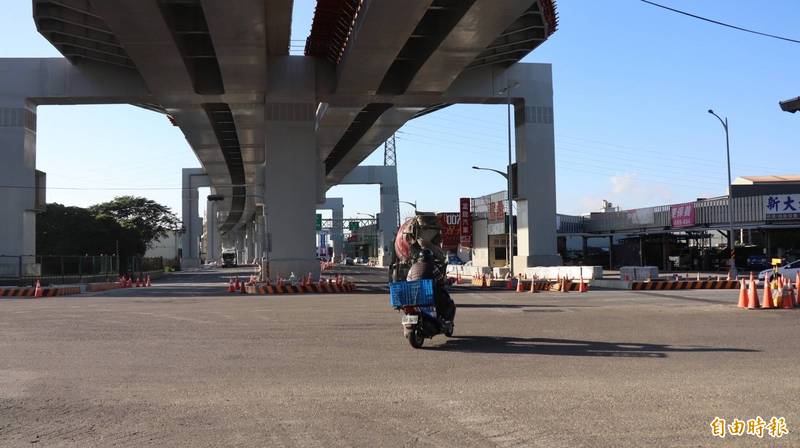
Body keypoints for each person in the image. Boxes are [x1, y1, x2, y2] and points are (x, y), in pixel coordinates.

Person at [406, 248, 456, 323]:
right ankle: (441, 319)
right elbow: (440, 280)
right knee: (442, 301)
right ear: (430, 258)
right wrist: (446, 281)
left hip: (414, 295)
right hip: (428, 294)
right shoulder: (432, 266)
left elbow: (408, 280)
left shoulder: (413, 267)